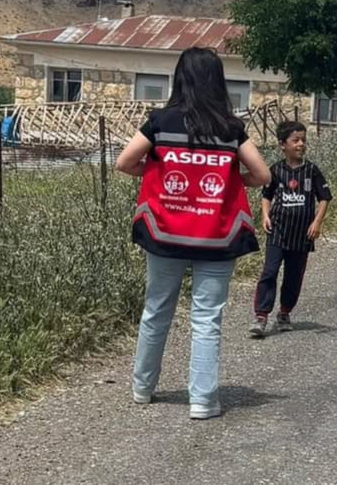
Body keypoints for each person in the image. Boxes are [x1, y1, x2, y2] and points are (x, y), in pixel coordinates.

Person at [115, 47, 270, 420]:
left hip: (164, 234)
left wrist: (157, 174)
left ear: (180, 77)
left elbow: (124, 162)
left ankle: (142, 388)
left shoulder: (160, 121)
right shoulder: (232, 129)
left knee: (156, 310)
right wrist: (233, 178)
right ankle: (202, 401)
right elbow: (263, 176)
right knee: (207, 319)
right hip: (216, 237)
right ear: (218, 81)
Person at [250, 120, 332, 337]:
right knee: (270, 271)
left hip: (302, 234)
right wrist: (265, 215)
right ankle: (261, 316)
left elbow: (324, 198)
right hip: (278, 231)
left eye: (303, 140)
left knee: (294, 276)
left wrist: (317, 222)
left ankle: (285, 312)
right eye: (295, 140)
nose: (301, 144)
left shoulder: (312, 171)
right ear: (282, 144)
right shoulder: (275, 170)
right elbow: (266, 196)